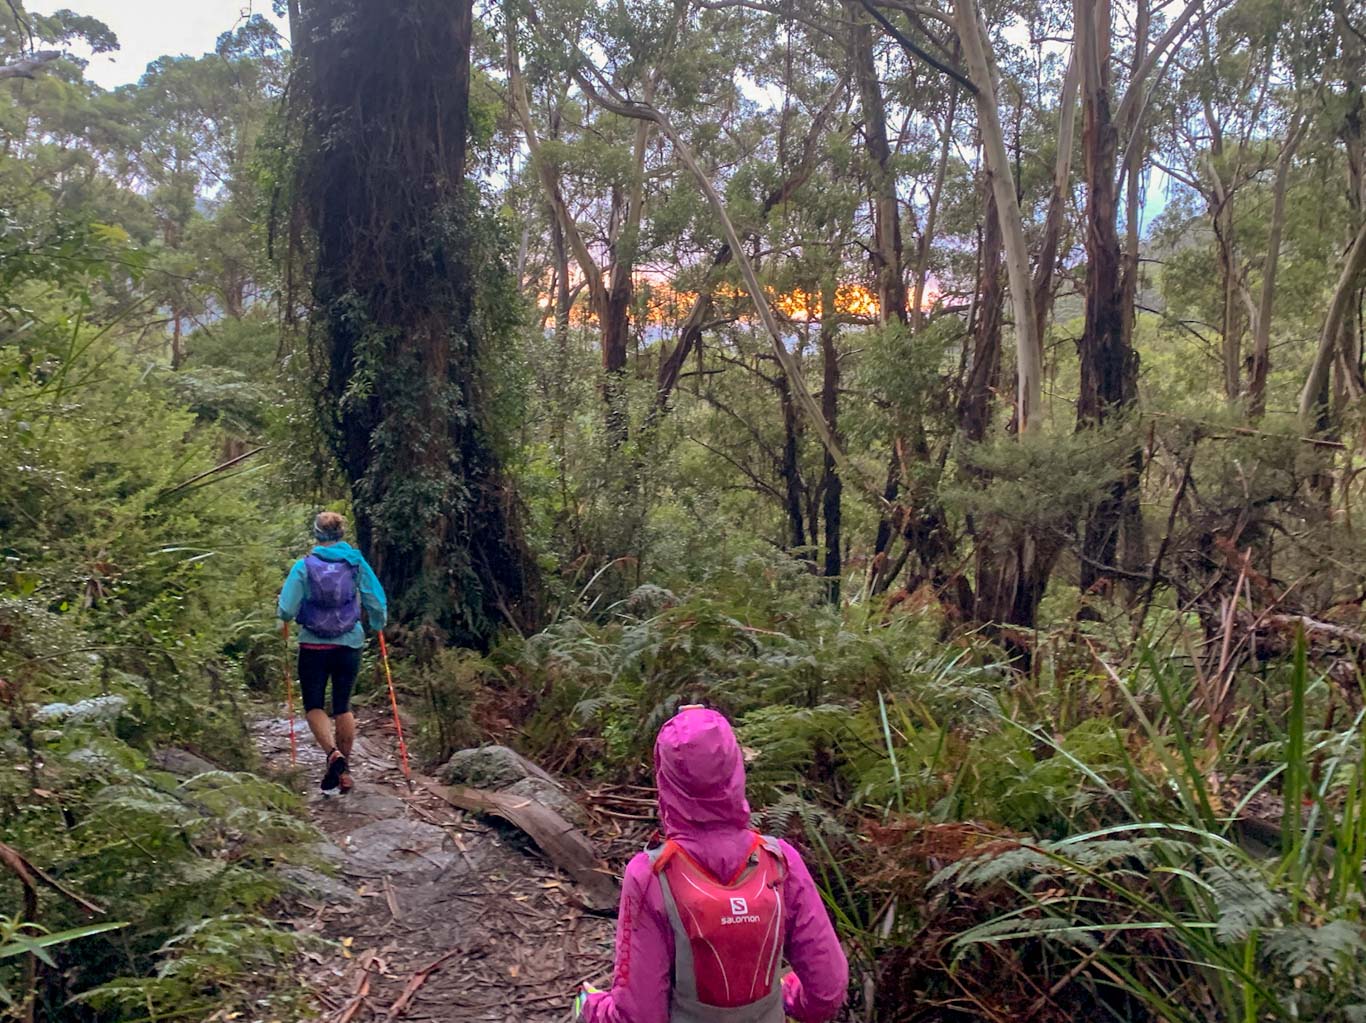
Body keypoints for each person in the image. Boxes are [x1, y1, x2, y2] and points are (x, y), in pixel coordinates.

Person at [578, 706, 848, 1023]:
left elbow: (639, 1015)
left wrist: (591, 1007)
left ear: (665, 778)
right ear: (735, 769)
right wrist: (786, 997)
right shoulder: (781, 860)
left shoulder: (651, 874)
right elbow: (828, 988)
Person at [276, 512, 387, 795]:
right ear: (341, 534)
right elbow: (375, 597)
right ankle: (344, 768)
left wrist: (283, 620)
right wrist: (378, 623)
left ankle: (331, 754)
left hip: (313, 644)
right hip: (349, 643)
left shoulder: (304, 566)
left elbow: (287, 609)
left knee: (314, 704)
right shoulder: (355, 562)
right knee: (343, 706)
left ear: (316, 534)